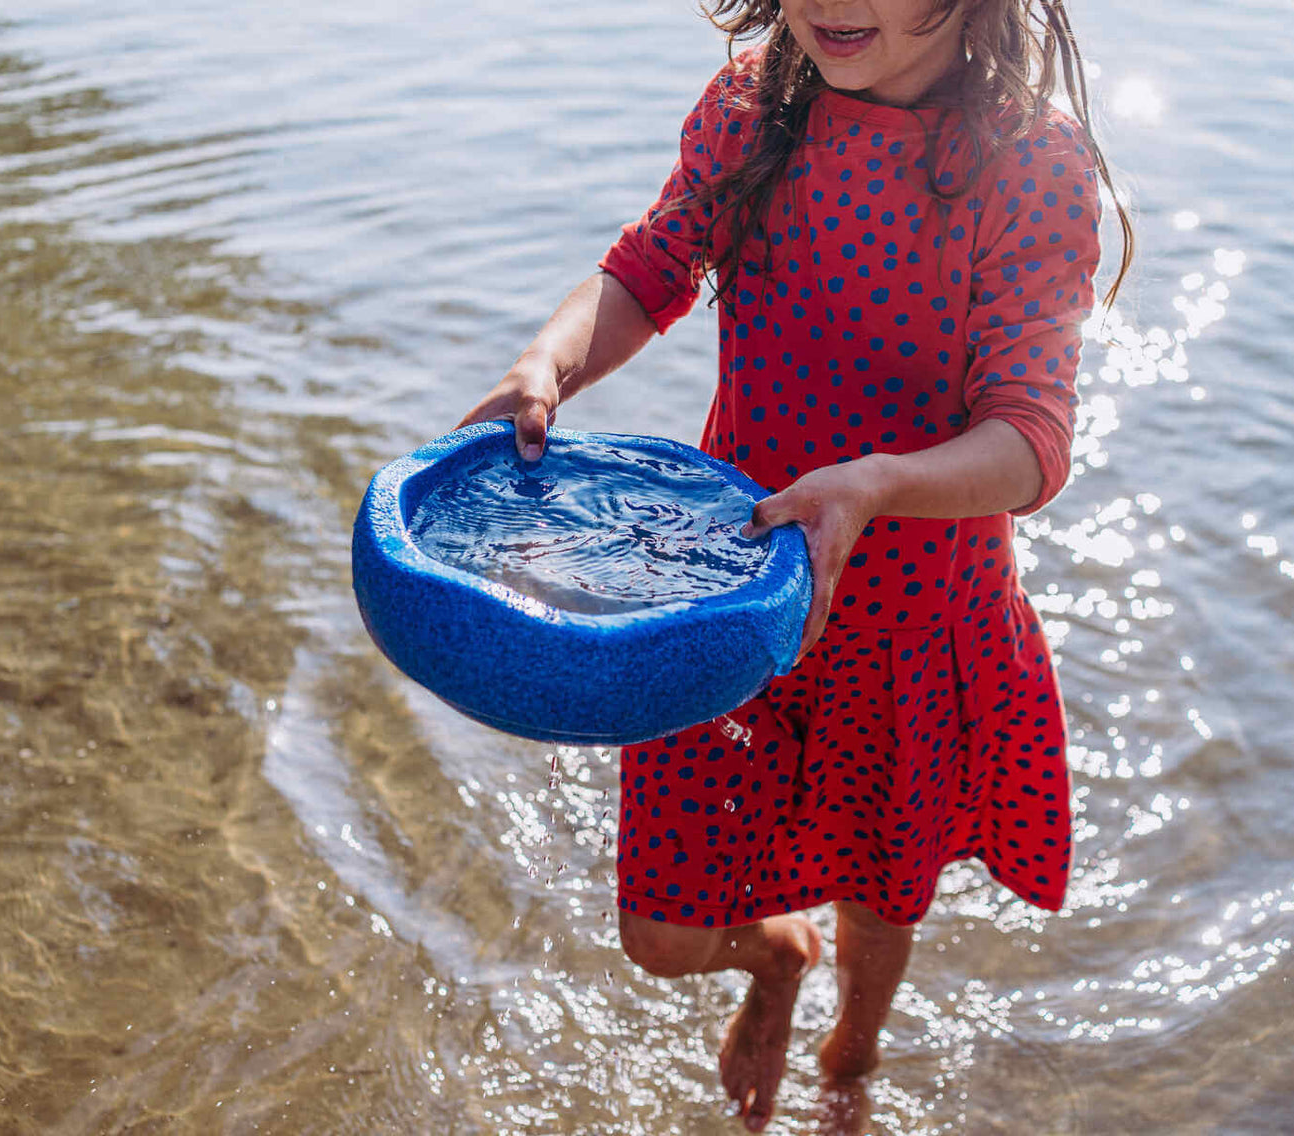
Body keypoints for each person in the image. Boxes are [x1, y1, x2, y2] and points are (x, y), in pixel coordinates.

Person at [460, 0, 1131, 1129]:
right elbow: (647, 268)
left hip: (914, 624)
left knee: (883, 891)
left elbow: (1030, 439)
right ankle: (773, 956)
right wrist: (549, 361)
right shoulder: (752, 108)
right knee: (660, 932)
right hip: (729, 602)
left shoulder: (1030, 161)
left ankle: (850, 1069)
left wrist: (873, 485)